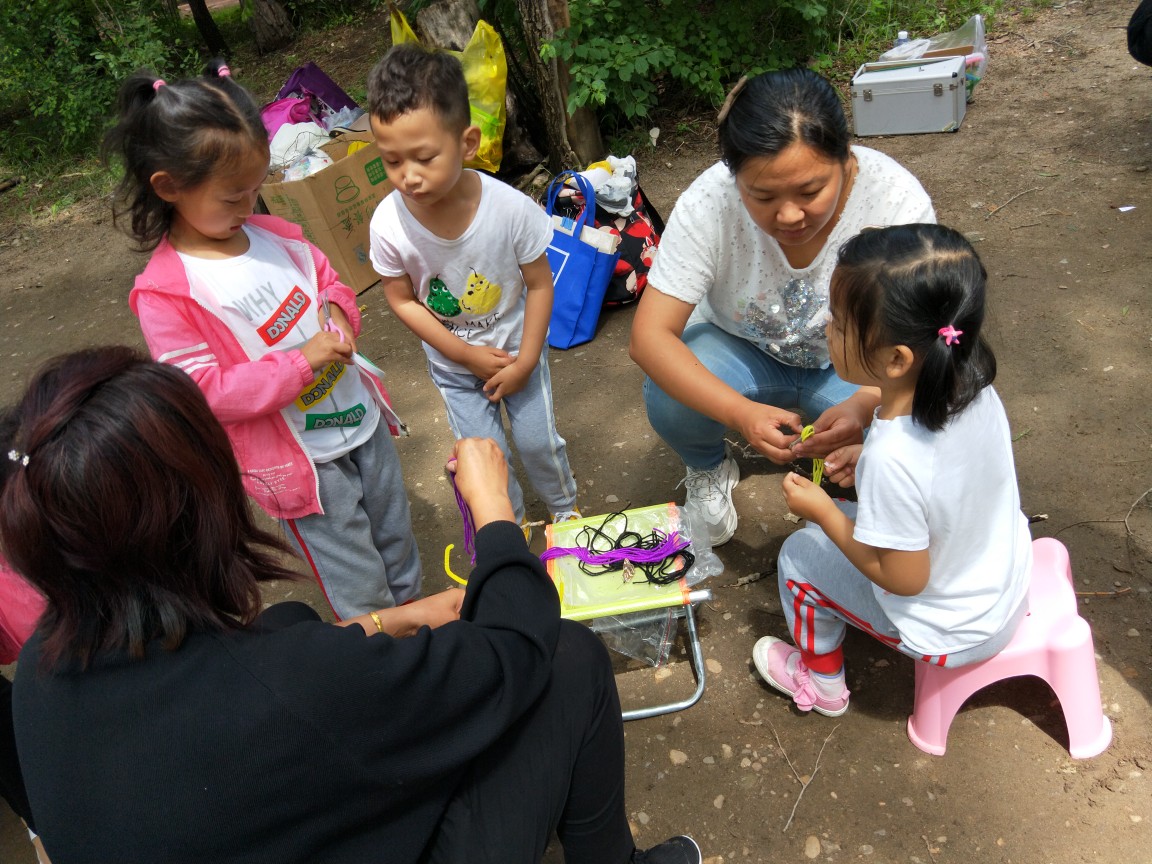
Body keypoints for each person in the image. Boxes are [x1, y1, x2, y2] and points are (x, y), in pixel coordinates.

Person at [0, 345, 702, 864]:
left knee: (294, 619)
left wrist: (398, 619)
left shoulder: (39, 671)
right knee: (568, 658)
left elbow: (278, 654)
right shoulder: (293, 690)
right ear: (200, 510)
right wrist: (494, 510)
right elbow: (516, 644)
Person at [106, 60, 420, 619]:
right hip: (303, 465)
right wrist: (301, 363)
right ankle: (384, 653)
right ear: (169, 187)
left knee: (397, 543)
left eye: (256, 190)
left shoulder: (276, 236)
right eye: (232, 198)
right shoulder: (168, 293)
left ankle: (421, 626)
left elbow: (328, 281)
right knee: (358, 580)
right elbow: (202, 391)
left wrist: (339, 314)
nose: (249, 208)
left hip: (361, 423)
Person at [629, 68, 936, 546]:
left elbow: (920, 341)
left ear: (846, 157)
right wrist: (740, 413)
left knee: (919, 421)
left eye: (811, 192)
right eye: (763, 196)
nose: (790, 215)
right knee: (670, 395)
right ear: (734, 177)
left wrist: (862, 405)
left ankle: (866, 470)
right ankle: (708, 466)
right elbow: (649, 337)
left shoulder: (893, 200)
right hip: (739, 347)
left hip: (853, 364)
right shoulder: (710, 202)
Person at [751, 224, 1032, 716]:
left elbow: (904, 579)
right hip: (1002, 586)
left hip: (951, 631)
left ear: (897, 359)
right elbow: (945, 478)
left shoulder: (893, 458)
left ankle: (822, 685)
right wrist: (865, 449)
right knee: (841, 524)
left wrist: (823, 511)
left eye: (840, 324)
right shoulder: (972, 384)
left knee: (798, 556)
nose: (827, 329)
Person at [366, 44, 580, 538]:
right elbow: (401, 299)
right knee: (483, 455)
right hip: (455, 369)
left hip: (518, 356)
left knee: (538, 443)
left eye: (424, 158)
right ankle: (508, 527)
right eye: (391, 161)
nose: (408, 177)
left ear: (467, 143)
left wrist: (527, 361)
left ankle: (565, 510)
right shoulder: (388, 224)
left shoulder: (509, 210)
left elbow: (539, 284)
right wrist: (464, 354)